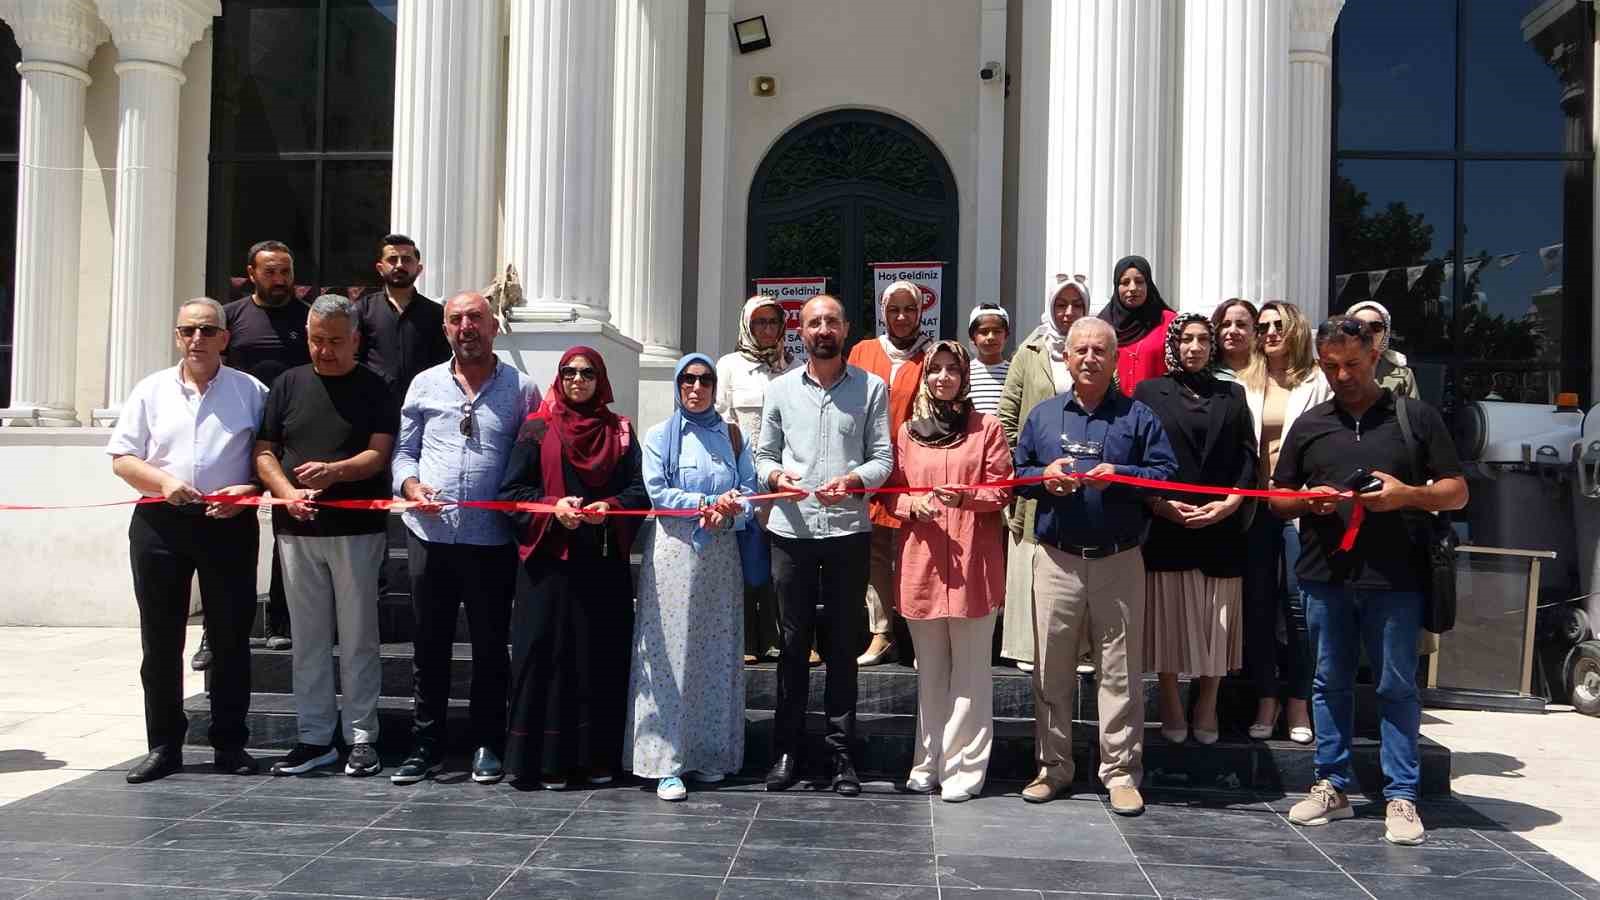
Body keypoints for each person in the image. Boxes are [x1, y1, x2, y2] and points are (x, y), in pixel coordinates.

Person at [1273, 316, 1467, 846]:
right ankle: (1330, 785)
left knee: (1396, 686)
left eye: (1352, 365)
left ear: (1374, 357)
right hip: (1323, 576)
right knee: (1327, 681)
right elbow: (1278, 498)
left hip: (1397, 578)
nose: (1342, 376)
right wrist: (1307, 501)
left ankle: (1401, 795)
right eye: (1331, 366)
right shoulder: (1310, 424)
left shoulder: (1416, 418)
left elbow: (1457, 492)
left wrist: (1407, 495)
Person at [1013, 316, 1178, 816]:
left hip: (1119, 561)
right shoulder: (1042, 416)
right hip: (1057, 560)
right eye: (1080, 349)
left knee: (1120, 673)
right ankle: (1053, 767)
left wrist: (1122, 476)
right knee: (1051, 671)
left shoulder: (1138, 417)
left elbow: (1164, 475)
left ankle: (1121, 773)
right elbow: (1014, 476)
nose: (1088, 358)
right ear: (1067, 357)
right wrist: (1046, 477)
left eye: (1098, 351)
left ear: (1113, 360)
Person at [107, 298, 267, 783]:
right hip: (161, 524)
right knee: (160, 640)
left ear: (225, 337)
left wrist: (250, 490)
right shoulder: (150, 390)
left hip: (228, 523)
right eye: (187, 330)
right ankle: (163, 746)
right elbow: (122, 458)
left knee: (231, 639)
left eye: (206, 330)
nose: (196, 339)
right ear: (178, 336)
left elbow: (268, 455)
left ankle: (230, 743)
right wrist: (162, 483)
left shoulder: (251, 391)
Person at [388, 292, 536, 786]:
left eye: (475, 317)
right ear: (446, 329)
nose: (466, 326)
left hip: (491, 541)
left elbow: (533, 460)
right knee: (429, 646)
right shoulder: (424, 384)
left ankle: (487, 743)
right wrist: (410, 486)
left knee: (491, 648)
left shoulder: (522, 388)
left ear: (493, 326)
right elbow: (404, 453)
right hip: (429, 536)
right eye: (456, 319)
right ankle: (425, 746)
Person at [255, 294, 398, 777]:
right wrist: (287, 492)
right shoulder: (287, 384)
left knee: (359, 637)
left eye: (335, 341)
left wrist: (335, 472)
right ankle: (314, 736)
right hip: (296, 531)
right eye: (317, 340)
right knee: (308, 639)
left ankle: (362, 737)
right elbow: (265, 452)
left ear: (355, 339)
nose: (324, 351)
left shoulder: (376, 387)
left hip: (356, 531)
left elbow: (379, 454)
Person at [756, 294, 893, 795]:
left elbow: (883, 458)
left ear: (846, 328)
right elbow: (761, 453)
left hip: (846, 534)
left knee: (840, 646)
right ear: (802, 331)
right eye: (814, 322)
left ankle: (841, 756)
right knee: (792, 645)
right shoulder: (780, 390)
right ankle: (787, 751)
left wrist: (856, 479)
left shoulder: (872, 388)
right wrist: (775, 476)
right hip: (791, 532)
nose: (822, 329)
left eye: (831, 321)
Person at [498, 346, 648, 789]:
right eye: (568, 372)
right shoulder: (536, 428)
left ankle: (594, 760)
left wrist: (612, 506)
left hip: (600, 567)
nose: (577, 380)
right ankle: (543, 762)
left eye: (586, 373)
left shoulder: (619, 431)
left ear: (600, 379)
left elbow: (640, 491)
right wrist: (551, 507)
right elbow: (511, 493)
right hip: (549, 566)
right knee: (546, 658)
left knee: (597, 659)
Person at [885, 340, 1012, 802]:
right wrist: (911, 504)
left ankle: (965, 768)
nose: (942, 377)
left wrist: (969, 497)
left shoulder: (987, 427)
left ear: (964, 376)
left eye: (951, 369)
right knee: (930, 672)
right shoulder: (907, 433)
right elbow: (888, 495)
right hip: (922, 564)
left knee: (972, 674)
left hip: (973, 564)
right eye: (934, 369)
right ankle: (928, 761)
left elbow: (1002, 490)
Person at [627, 353, 758, 802]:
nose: (696, 388)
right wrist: (706, 503)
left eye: (704, 380)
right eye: (688, 380)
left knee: (716, 653)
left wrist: (732, 507)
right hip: (676, 553)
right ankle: (666, 761)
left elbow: (751, 489)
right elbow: (659, 491)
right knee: (672, 654)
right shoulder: (661, 435)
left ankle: (708, 753)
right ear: (678, 385)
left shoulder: (733, 435)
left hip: (720, 554)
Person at [1133, 314, 1256, 745]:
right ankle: (1169, 697)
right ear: (1174, 344)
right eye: (1186, 339)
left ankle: (1207, 702)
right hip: (1169, 525)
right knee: (1169, 620)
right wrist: (1158, 504)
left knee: (1216, 623)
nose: (1195, 347)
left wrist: (1231, 503)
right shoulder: (1149, 392)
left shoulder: (1233, 394)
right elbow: (1138, 452)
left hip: (1222, 528)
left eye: (1204, 339)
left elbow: (1248, 458)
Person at [1241, 301, 1331, 744]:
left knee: (1299, 608)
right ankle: (1266, 697)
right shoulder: (1247, 380)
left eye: (1278, 325)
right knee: (1258, 605)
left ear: (1296, 328)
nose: (1270, 332)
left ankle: (1299, 701)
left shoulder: (1318, 382)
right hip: (1255, 509)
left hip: (1299, 511)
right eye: (1263, 327)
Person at [215, 239, 308, 661]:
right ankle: (213, 632)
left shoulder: (306, 320)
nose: (279, 279)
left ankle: (279, 621)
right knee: (227, 528)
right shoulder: (230, 317)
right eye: (270, 271)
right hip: (235, 435)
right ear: (251, 273)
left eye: (285, 271)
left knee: (287, 528)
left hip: (289, 437)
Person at [998, 274, 1089, 672]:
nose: (1068, 313)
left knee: (1079, 564)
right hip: (1037, 477)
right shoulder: (1029, 351)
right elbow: (1006, 415)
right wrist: (1026, 465)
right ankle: (1028, 647)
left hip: (1085, 478)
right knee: (1033, 559)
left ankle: (1081, 649)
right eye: (1061, 305)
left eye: (1077, 305)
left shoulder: (1097, 347)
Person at [715, 295, 803, 666]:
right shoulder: (729, 366)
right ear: (747, 327)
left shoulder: (794, 367)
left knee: (781, 563)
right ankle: (747, 638)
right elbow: (719, 419)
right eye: (760, 323)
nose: (767, 330)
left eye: (773, 323)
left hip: (783, 479)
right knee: (746, 560)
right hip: (743, 475)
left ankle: (780, 637)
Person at [847, 280, 930, 666]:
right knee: (876, 553)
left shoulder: (932, 355)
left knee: (916, 554)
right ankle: (882, 632)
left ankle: (917, 637)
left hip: (916, 468)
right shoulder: (863, 351)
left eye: (909, 310)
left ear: (920, 313)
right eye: (894, 309)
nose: (901, 317)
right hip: (870, 465)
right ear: (883, 311)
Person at [356, 234, 450, 399]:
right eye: (392, 259)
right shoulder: (362, 310)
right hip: (373, 405)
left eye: (406, 259)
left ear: (418, 269)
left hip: (424, 405)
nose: (399, 265)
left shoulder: (435, 313)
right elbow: (354, 358)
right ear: (380, 268)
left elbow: (443, 362)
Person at [1098, 255, 1176, 395]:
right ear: (1116, 287)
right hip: (1114, 410)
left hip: (1158, 408)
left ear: (1149, 284)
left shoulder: (1168, 322)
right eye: (1125, 282)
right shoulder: (1102, 326)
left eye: (1139, 281)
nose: (1133, 288)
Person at [1346, 300, 1419, 399]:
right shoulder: (1330, 370)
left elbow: (1412, 413)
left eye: (1375, 326)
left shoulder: (1404, 375)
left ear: (1385, 333)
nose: (1367, 332)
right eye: (1360, 326)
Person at [967, 303, 1011, 416]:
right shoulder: (964, 372)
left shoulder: (1014, 372)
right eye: (984, 332)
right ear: (973, 337)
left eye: (997, 332)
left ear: (1006, 336)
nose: (991, 337)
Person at [1211, 298, 1260, 383]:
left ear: (1255, 330)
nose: (1233, 331)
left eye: (1241, 325)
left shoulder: (1268, 370)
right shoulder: (1204, 372)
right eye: (1226, 324)